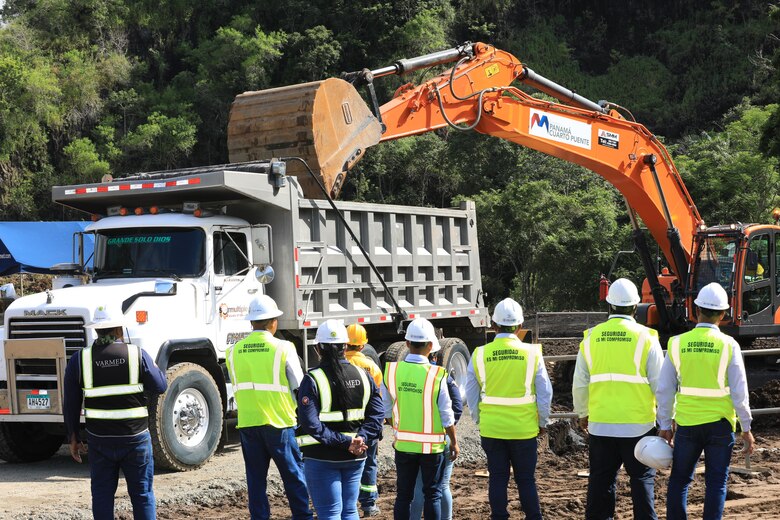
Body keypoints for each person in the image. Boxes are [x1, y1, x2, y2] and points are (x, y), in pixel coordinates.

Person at [657, 282, 755, 520]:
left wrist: (664, 425)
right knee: (716, 482)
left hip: (687, 424)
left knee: (679, 481)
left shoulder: (677, 343)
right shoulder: (729, 345)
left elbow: (664, 389)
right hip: (720, 426)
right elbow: (740, 392)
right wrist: (746, 427)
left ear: (696, 309)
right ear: (723, 314)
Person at [63, 305, 167, 520]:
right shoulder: (137, 354)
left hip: (100, 441)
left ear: (96, 330)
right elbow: (160, 386)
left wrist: (73, 437)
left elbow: (71, 403)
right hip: (135, 438)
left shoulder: (79, 360)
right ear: (119, 329)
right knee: (142, 494)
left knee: (101, 495)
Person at [572, 278, 664, 520]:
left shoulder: (591, 337)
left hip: (601, 425)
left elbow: (580, 382)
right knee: (642, 481)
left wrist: (582, 413)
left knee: (600, 483)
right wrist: (666, 422)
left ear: (609, 306)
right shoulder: (646, 337)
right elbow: (661, 386)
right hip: (639, 426)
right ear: (635, 307)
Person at [225, 295, 313, 520]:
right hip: (279, 422)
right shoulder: (283, 347)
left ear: (251, 322)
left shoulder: (233, 351)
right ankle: (302, 516)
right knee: (293, 477)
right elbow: (299, 386)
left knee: (255, 481)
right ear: (273, 322)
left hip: (248, 423)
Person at [465, 298, 552, 520]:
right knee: (526, 480)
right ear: (520, 326)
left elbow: (472, 394)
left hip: (492, 429)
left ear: (493, 326)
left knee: (497, 478)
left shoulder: (480, 354)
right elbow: (545, 393)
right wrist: (542, 422)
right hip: (524, 430)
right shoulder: (532, 353)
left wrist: (479, 419)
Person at [296, 320, 384, 520]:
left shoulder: (313, 379)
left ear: (318, 348)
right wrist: (360, 439)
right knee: (350, 510)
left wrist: (345, 442)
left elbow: (311, 424)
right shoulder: (363, 375)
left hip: (321, 456)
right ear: (345, 346)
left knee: (330, 513)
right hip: (356, 456)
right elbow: (377, 414)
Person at [384, 317, 460, 520]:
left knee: (403, 496)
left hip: (404, 446)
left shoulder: (392, 371)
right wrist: (454, 442)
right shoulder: (437, 374)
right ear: (430, 346)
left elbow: (385, 410)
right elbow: (446, 415)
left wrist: (399, 428)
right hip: (431, 448)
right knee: (432, 494)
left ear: (407, 343)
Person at [409, 345, 463, 520]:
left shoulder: (404, 374)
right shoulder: (441, 376)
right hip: (440, 438)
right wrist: (449, 431)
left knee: (418, 488)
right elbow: (455, 406)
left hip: (412, 439)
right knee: (442, 486)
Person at [344, 323, 384, 517]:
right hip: (367, 425)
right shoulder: (372, 366)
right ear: (362, 345)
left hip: (344, 424)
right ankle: (368, 505)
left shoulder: (340, 363)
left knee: (345, 465)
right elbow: (378, 399)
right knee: (369, 463)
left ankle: (346, 504)